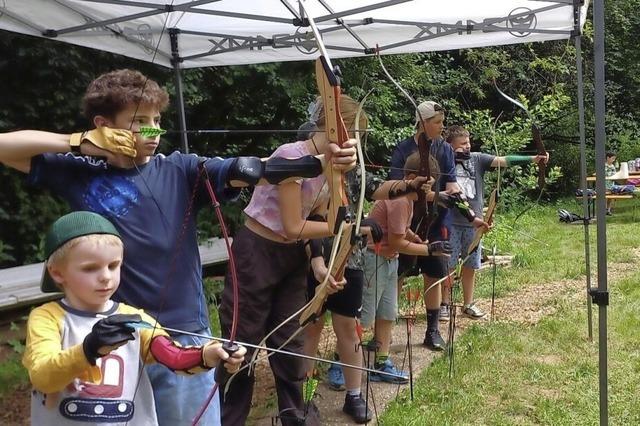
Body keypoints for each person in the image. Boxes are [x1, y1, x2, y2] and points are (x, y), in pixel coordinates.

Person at [0, 69, 357, 425]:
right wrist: (78, 141)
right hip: (113, 336)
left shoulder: (180, 169)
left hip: (182, 333)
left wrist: (323, 162)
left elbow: (252, 169)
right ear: (103, 124)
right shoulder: (80, 172)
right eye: (139, 121)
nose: (153, 130)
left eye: (157, 120)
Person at [23, 211, 247, 426]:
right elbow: (42, 376)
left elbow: (174, 356)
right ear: (57, 273)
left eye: (113, 266)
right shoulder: (46, 318)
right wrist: (89, 349)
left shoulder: (134, 318)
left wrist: (209, 354)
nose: (105, 277)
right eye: (90, 269)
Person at [301, 114, 433, 423]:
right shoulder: (306, 169)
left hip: (351, 261)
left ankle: (354, 396)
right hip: (312, 261)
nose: (353, 142)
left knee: (349, 329)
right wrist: (321, 257)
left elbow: (377, 187)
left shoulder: (352, 170)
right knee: (312, 329)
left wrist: (410, 183)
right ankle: (304, 398)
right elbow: (305, 222)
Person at [388, 101, 487, 351]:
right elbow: (396, 187)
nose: (442, 127)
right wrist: (434, 195)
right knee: (397, 273)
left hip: (437, 222)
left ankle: (432, 331)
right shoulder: (403, 149)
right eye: (437, 122)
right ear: (423, 123)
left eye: (443, 122)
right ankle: (386, 330)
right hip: (406, 221)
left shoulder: (444, 149)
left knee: (434, 274)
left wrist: (470, 216)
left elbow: (452, 186)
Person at [442, 125, 548, 318]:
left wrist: (532, 159)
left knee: (470, 265)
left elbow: (503, 160)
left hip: (475, 224)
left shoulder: (477, 159)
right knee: (447, 264)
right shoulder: (443, 162)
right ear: (449, 146)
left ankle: (468, 303)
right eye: (462, 144)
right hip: (450, 221)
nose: (467, 146)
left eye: (468, 142)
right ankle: (444, 304)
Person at [362, 152, 451, 383]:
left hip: (389, 261)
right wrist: (429, 250)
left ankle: (381, 363)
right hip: (375, 258)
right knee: (365, 317)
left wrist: (420, 241)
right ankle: (340, 362)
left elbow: (401, 230)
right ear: (412, 178)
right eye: (426, 185)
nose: (428, 191)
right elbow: (396, 242)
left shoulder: (409, 199)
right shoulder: (401, 200)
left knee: (388, 314)